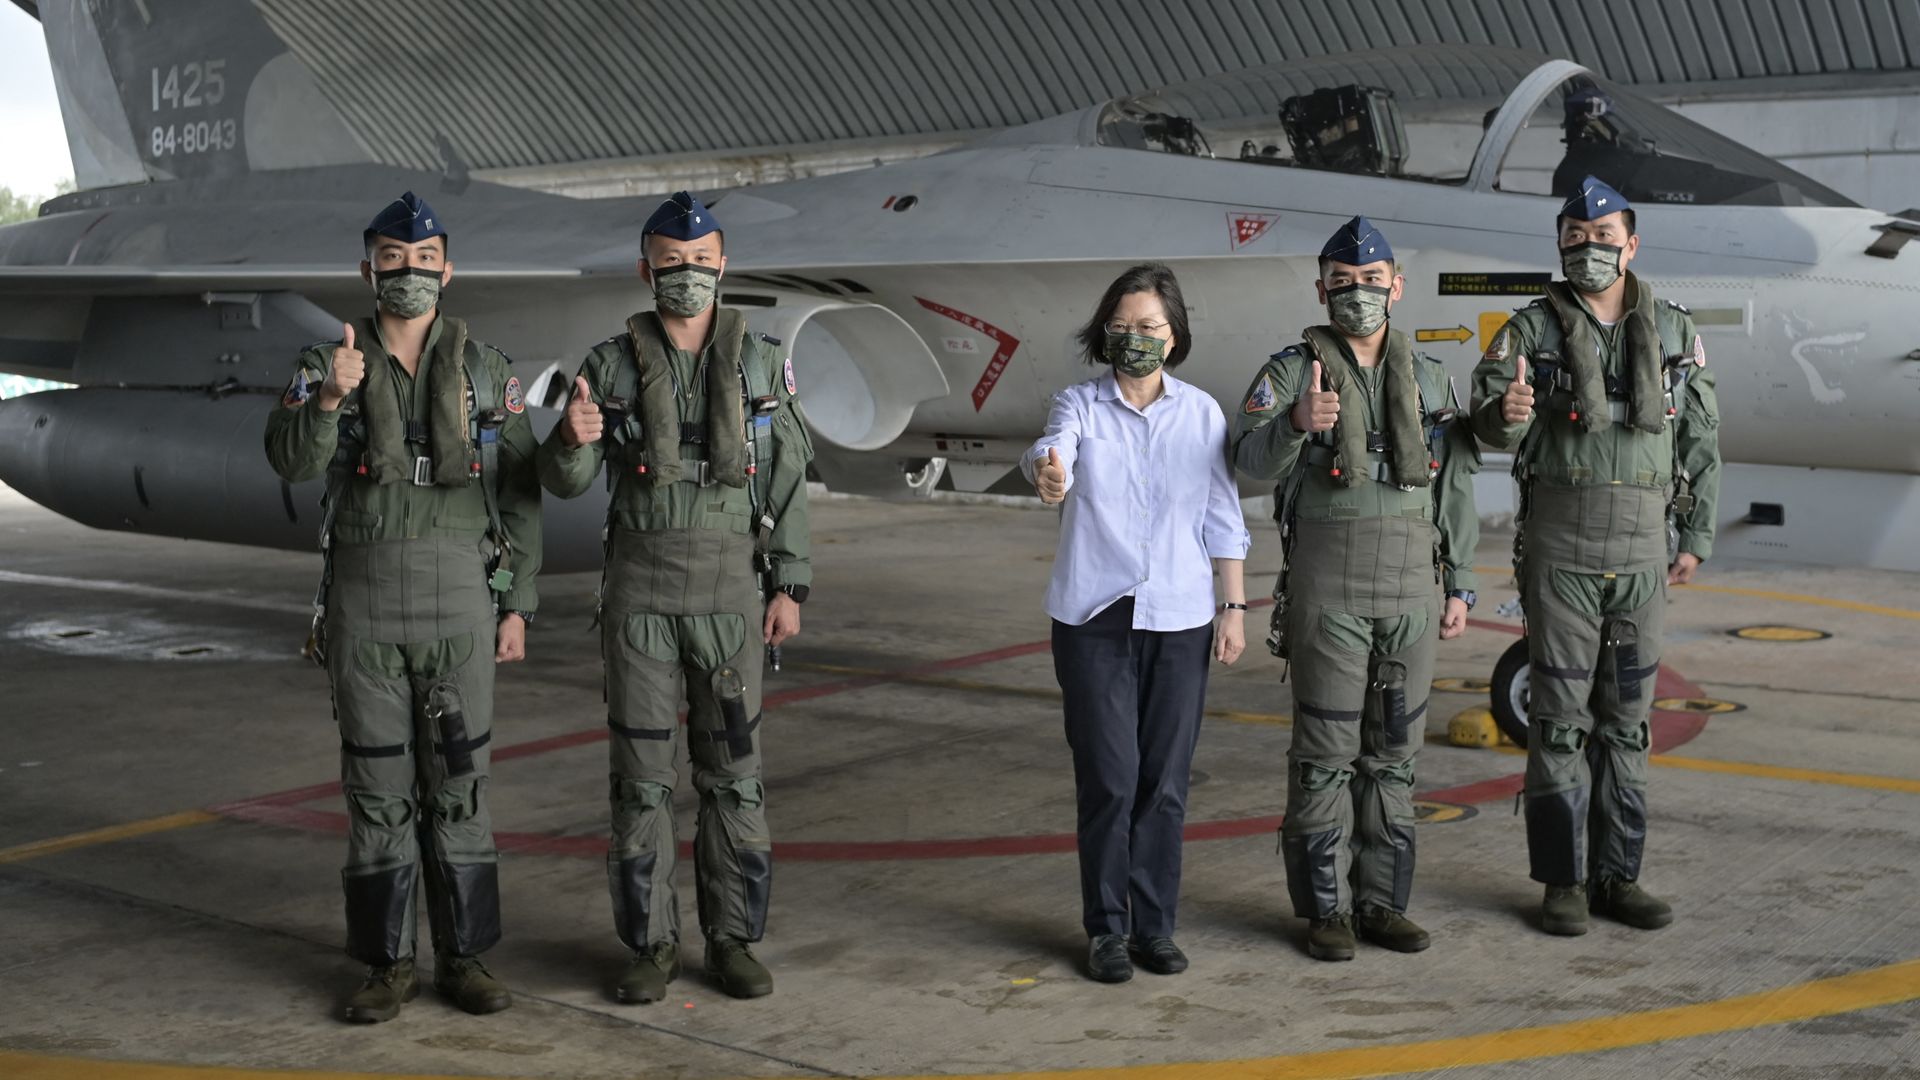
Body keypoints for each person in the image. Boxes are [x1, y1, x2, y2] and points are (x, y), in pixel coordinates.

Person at [264, 192, 542, 1022]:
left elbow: (522, 494)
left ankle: (466, 959)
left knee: (460, 787)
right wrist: (325, 402)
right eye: (393, 259)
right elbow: (284, 459)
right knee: (379, 790)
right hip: (366, 606)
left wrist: (516, 603)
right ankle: (387, 966)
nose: (410, 273)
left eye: (425, 261)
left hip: (460, 602)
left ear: (448, 270)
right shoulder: (329, 361)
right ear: (368, 268)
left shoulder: (486, 370)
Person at [537, 191, 812, 1003]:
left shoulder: (761, 363)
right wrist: (567, 439)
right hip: (641, 601)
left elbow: (791, 476)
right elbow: (564, 481)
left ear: (723, 265)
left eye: (699, 262)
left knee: (733, 775)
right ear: (644, 268)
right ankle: (651, 946)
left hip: (731, 595)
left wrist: (789, 583)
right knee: (642, 778)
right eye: (670, 263)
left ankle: (731, 940)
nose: (686, 276)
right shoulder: (609, 364)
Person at [1469, 177, 1721, 936]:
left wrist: (1696, 538)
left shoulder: (1674, 332)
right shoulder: (1528, 332)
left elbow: (1702, 441)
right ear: (1559, 243)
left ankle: (1620, 876)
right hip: (1562, 550)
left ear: (1633, 244)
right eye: (1577, 236)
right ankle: (1562, 884)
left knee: (1628, 721)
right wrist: (1505, 414)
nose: (1591, 247)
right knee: (1558, 721)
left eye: (1605, 235)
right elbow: (1489, 427)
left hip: (1644, 552)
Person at [1230, 216, 1480, 961]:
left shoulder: (1430, 378)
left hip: (1411, 586)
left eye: (1373, 282)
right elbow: (1247, 462)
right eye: (1343, 284)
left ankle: (1382, 904)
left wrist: (1461, 581)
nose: (1358, 295)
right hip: (1329, 586)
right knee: (1325, 753)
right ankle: (1325, 912)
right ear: (1321, 290)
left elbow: (1455, 488)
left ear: (1397, 287)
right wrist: (1297, 425)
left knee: (1395, 755)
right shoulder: (1288, 371)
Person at [1023, 262, 1250, 984]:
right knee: (1111, 778)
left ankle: (1156, 927)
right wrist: (1049, 469)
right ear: (1103, 336)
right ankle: (1107, 930)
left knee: (1165, 783)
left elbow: (1223, 517)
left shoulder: (1202, 413)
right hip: (1095, 618)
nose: (1135, 339)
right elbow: (1052, 446)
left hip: (1181, 617)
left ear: (1174, 336)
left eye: (1148, 327)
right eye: (1121, 329)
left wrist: (1233, 607)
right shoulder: (1080, 405)